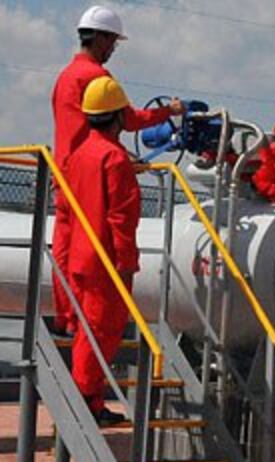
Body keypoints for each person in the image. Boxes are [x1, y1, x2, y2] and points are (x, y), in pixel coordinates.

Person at [51, 5, 183, 335]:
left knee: (65, 249)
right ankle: (88, 329)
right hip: (94, 176)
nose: (112, 49)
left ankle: (66, 316)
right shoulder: (96, 78)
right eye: (112, 42)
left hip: (66, 174)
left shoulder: (65, 76)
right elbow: (130, 119)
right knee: (93, 253)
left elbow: (83, 127)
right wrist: (170, 111)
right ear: (100, 38)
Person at [65, 76, 144, 426]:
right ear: (116, 117)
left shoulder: (79, 154)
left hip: (80, 256)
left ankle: (89, 400)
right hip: (107, 262)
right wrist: (127, 263)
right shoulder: (114, 158)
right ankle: (84, 400)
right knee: (102, 332)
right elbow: (121, 218)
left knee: (87, 329)